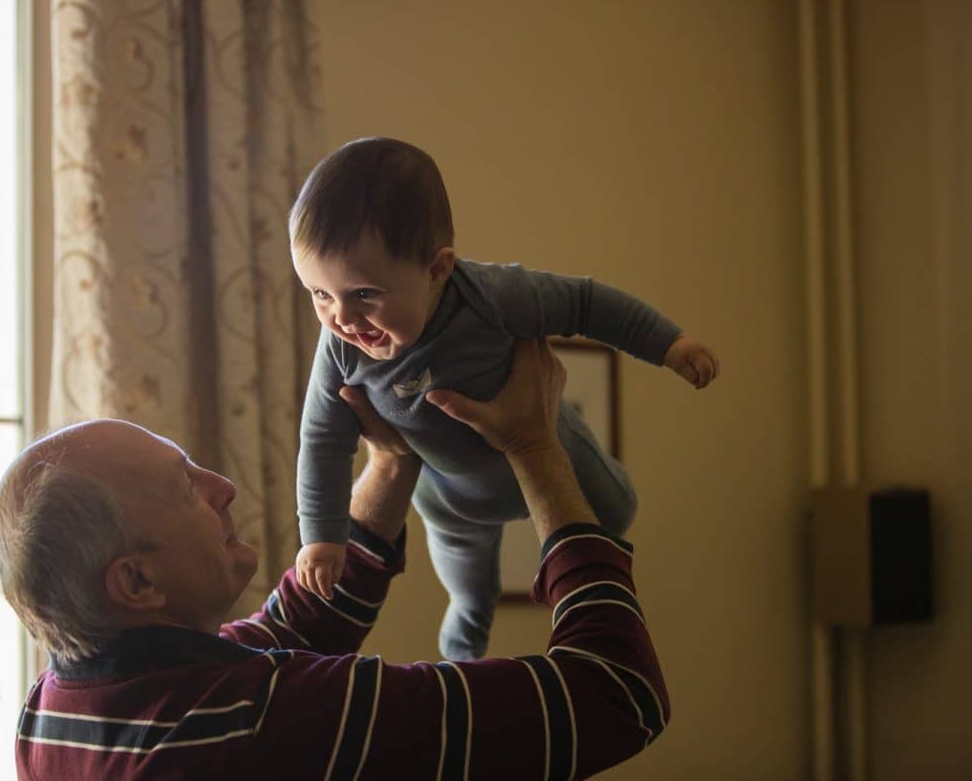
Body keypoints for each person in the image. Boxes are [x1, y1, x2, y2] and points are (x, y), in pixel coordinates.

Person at [0, 339, 670, 780]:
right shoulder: (265, 724)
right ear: (136, 581)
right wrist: (535, 448)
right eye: (185, 488)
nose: (222, 488)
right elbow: (615, 693)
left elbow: (290, 628)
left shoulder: (54, 711)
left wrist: (392, 460)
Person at [291, 136, 720, 659]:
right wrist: (321, 536)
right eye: (319, 294)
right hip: (451, 500)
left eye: (363, 294)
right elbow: (322, 440)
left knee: (618, 511)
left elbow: (586, 303)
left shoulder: (491, 297)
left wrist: (669, 345)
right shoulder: (339, 349)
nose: (342, 318)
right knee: (471, 592)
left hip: (551, 446)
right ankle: (463, 655)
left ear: (436, 270)